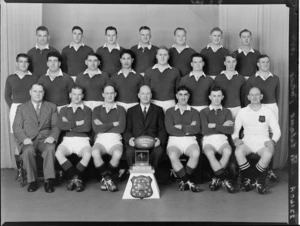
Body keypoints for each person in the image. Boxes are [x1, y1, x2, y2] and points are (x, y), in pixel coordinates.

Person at [232, 87, 281, 194]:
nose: (254, 97)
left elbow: (277, 131)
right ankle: (255, 180)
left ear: (261, 96)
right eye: (252, 95)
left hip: (263, 141)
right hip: (247, 140)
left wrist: (272, 141)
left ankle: (251, 180)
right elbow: (235, 130)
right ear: (248, 97)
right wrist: (235, 139)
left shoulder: (268, 111)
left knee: (268, 153)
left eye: (257, 94)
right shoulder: (242, 111)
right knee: (238, 152)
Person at [13, 83, 60, 193]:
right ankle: (32, 181)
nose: (37, 94)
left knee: (50, 149)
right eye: (35, 91)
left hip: (45, 139)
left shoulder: (51, 107)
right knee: (28, 151)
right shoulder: (21, 108)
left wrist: (52, 137)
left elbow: (56, 126)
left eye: (40, 91)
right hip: (28, 139)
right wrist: (24, 138)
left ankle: (49, 181)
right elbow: (17, 127)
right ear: (30, 92)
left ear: (43, 93)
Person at [5, 53, 39, 173]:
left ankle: (32, 168)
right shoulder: (11, 78)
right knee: (17, 139)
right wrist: (15, 108)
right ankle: (20, 170)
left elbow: (37, 93)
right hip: (16, 109)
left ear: (29, 64)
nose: (23, 64)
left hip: (31, 108)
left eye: (26, 62)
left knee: (32, 136)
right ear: (17, 63)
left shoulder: (34, 77)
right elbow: (7, 96)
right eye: (21, 62)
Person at [165, 86, 202, 192]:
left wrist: (180, 126)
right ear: (176, 96)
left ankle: (183, 181)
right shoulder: (169, 111)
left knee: (195, 153)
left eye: (185, 94)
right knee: (172, 155)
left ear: (189, 96)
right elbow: (170, 129)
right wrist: (188, 128)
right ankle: (188, 181)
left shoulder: (194, 112)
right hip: (174, 140)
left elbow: (196, 129)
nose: (183, 97)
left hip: (190, 139)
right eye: (180, 94)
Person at [124, 85, 167, 176]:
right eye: (143, 93)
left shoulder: (158, 110)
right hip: (136, 142)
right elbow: (127, 130)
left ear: (151, 95)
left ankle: (151, 176)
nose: (145, 96)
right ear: (138, 95)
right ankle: (135, 176)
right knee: (129, 152)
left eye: (148, 93)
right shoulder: (131, 111)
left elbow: (162, 129)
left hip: (153, 142)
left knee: (158, 152)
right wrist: (129, 139)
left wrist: (159, 140)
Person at [55, 86, 92, 192]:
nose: (76, 97)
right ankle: (77, 178)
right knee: (58, 153)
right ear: (70, 95)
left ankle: (73, 179)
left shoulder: (87, 110)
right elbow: (61, 126)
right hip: (68, 140)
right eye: (74, 94)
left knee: (88, 154)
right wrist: (77, 123)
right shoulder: (64, 109)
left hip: (83, 140)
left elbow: (87, 127)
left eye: (79, 94)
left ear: (83, 96)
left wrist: (69, 124)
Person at [199, 86, 234, 193]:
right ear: (210, 97)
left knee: (228, 150)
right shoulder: (203, 112)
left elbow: (230, 130)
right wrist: (222, 126)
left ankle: (215, 178)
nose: (216, 98)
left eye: (219, 96)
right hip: (208, 140)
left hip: (222, 140)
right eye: (214, 96)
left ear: (222, 97)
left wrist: (213, 125)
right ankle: (223, 179)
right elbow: (205, 130)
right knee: (209, 152)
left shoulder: (227, 112)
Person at [91, 85, 126, 192]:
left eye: (112, 93)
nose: (109, 96)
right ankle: (108, 179)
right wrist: (113, 123)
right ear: (103, 95)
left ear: (115, 94)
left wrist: (103, 125)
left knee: (118, 154)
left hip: (115, 139)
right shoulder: (97, 109)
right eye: (107, 93)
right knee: (95, 152)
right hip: (100, 140)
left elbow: (121, 128)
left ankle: (105, 178)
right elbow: (96, 128)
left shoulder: (121, 109)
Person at [144, 46, 181, 112]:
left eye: (165, 55)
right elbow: (146, 90)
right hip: (153, 102)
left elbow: (178, 91)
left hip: (170, 103)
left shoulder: (175, 71)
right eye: (160, 54)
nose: (162, 57)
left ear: (168, 56)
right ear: (156, 56)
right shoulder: (149, 71)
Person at [244, 54, 280, 120]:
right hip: (256, 107)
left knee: (273, 129)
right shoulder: (251, 79)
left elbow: (277, 96)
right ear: (258, 64)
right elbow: (247, 98)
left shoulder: (275, 78)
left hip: (272, 107)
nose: (265, 64)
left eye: (267, 62)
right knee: (258, 129)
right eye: (263, 62)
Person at [214, 54, 246, 119]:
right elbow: (214, 95)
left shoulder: (241, 78)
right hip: (223, 108)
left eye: (233, 61)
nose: (231, 64)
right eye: (228, 62)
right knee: (224, 128)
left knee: (237, 128)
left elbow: (244, 96)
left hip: (238, 108)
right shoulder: (218, 78)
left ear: (236, 62)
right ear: (225, 63)